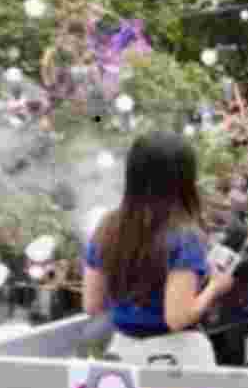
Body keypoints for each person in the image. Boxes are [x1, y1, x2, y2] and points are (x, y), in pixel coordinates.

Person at [82, 130, 235, 370]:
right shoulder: (184, 236)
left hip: (122, 356)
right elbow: (177, 318)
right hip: (178, 359)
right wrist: (215, 287)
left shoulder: (107, 228)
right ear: (184, 179)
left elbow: (92, 305)